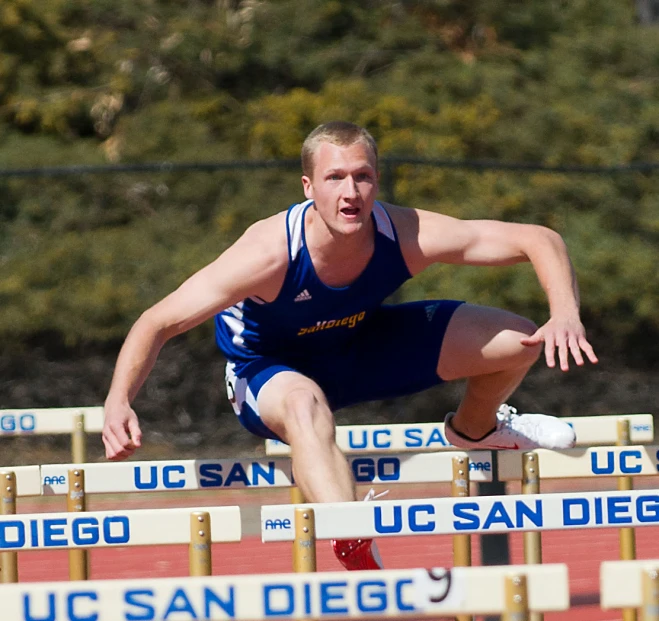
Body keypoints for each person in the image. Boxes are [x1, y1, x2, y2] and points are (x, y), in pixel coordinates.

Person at [102, 121, 598, 571]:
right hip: (269, 371)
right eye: (335, 178)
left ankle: (475, 430)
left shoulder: (402, 232)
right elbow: (157, 321)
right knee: (302, 403)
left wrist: (565, 313)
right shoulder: (268, 253)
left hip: (358, 344)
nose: (351, 192)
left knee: (518, 339)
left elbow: (538, 239)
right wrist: (119, 400)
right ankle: (355, 545)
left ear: (376, 181)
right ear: (308, 187)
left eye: (362, 177)